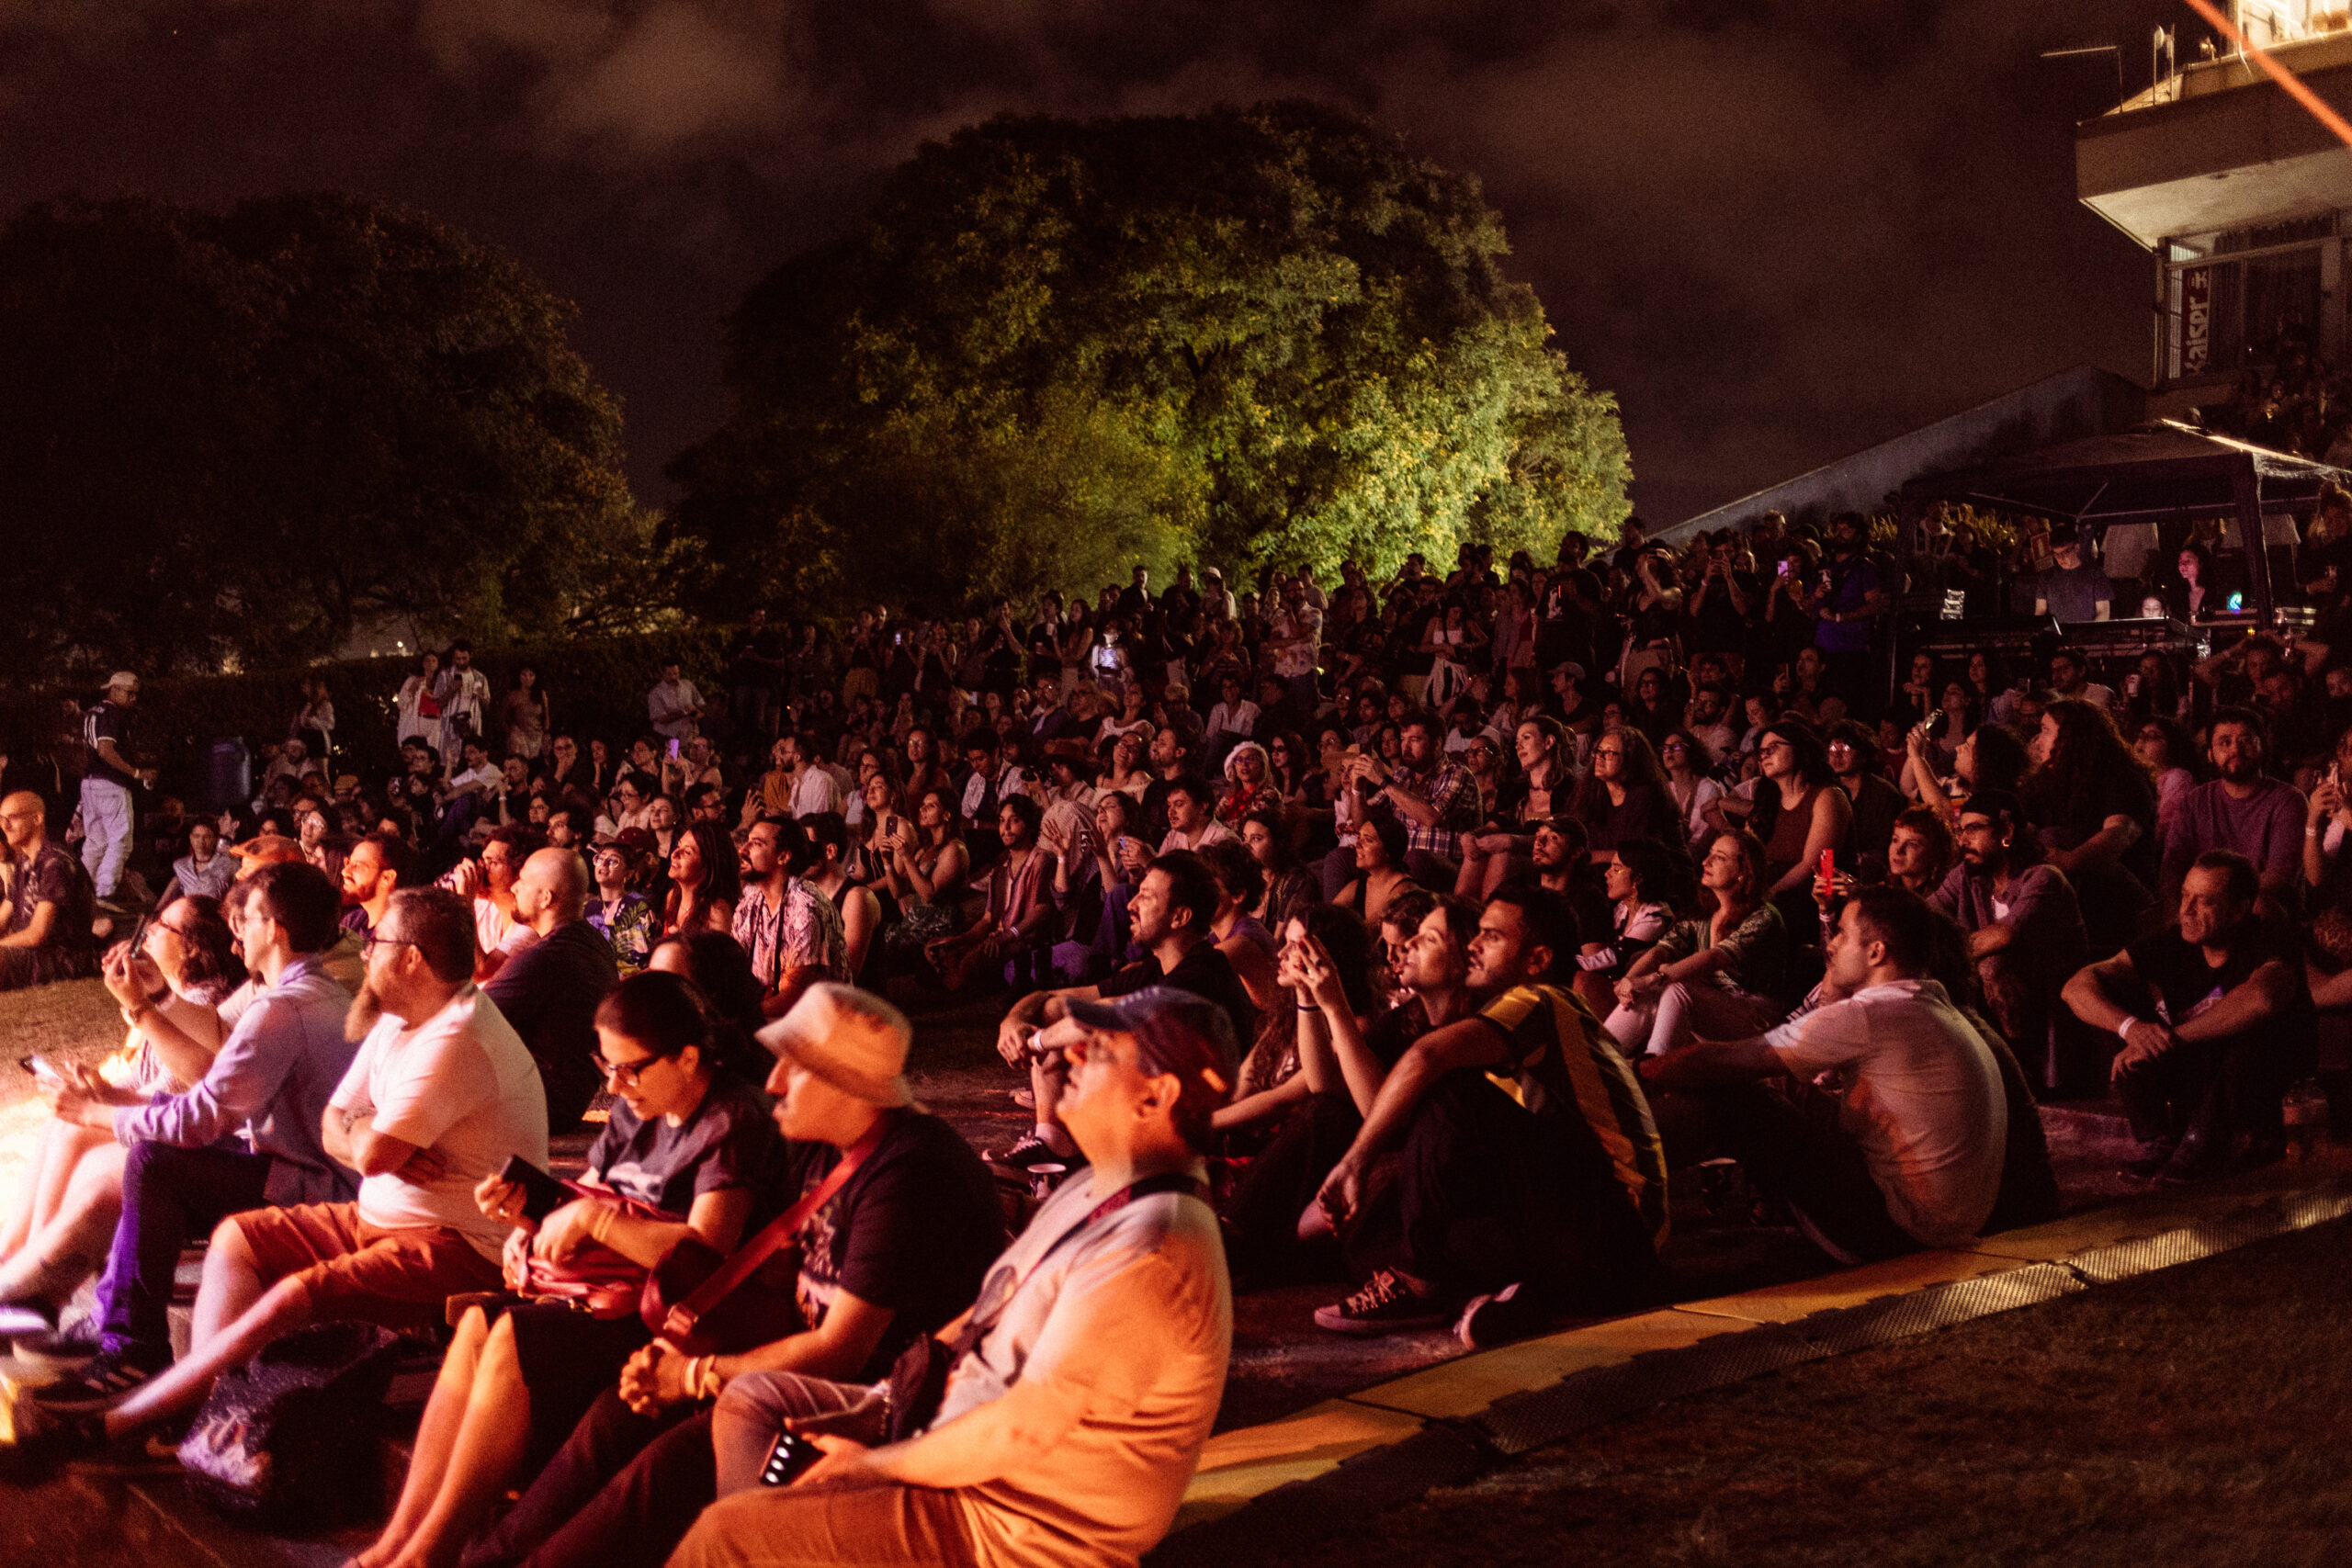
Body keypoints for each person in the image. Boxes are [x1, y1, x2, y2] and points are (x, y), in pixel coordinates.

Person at [662, 987, 1234, 1568]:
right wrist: (881, 1407)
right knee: (753, 1401)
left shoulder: (1153, 1249)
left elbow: (1020, 1432)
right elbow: (984, 1316)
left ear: (1157, 1096)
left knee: (726, 1536)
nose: (1074, 1060)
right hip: (958, 1453)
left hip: (1009, 1525)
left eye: (1102, 1052)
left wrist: (866, 1467)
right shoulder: (1103, 1186)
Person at [465, 985, 1006, 1568]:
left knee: (660, 1474)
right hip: (780, 1374)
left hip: (851, 1413)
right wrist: (671, 1355)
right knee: (615, 1416)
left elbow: (842, 1350)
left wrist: (693, 1374)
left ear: (847, 1083)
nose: (772, 1083)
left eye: (793, 1070)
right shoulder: (833, 1149)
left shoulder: (907, 1175)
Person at [8, 886, 550, 1461]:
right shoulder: (394, 1016)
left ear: (412, 958)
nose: (365, 951)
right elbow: (332, 1121)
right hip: (372, 1210)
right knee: (235, 1236)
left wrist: (364, 1139)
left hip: (455, 1242)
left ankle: (125, 1416)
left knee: (284, 1280)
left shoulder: (454, 1037)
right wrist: (365, 1134)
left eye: (376, 940)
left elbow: (341, 1148)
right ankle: (187, 1389)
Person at [350, 969, 783, 1568]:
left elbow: (706, 1253)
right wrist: (529, 1221)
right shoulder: (637, 1109)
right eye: (607, 1066)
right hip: (605, 1291)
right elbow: (589, 1200)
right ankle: (401, 1539)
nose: (617, 1084)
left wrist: (596, 1224)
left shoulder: (732, 1121)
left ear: (687, 1058)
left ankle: (430, 1550)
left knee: (513, 1335)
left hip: (672, 1313)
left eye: (631, 1068)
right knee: (478, 1322)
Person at [15, 863, 357, 1401]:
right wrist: (153, 1000)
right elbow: (216, 1043)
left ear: (277, 929)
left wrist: (96, 1113)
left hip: (310, 1183)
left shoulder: (284, 1008)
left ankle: (132, 1347)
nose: (236, 928)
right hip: (289, 1160)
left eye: (247, 918)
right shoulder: (296, 987)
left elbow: (199, 1116)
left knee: (155, 1162)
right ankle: (97, 1311)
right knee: (151, 1156)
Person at [1310, 885, 1668, 1346]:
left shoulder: (1542, 1001)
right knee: (1374, 1229)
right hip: (1581, 1254)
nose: (1475, 945)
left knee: (1448, 1093)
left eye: (1492, 937)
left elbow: (1424, 1060)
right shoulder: (1504, 1019)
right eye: (1476, 934)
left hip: (1620, 1236)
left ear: (1537, 961)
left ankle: (1424, 1286)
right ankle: (1496, 1301)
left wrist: (1355, 1161)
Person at [1644, 886, 2008, 1264]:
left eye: (1843, 934)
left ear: (1876, 952)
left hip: (1895, 1232)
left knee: (1734, 1098)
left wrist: (1638, 1073)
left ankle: (1618, 1180)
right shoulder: (1930, 1006)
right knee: (1786, 1090)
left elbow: (1731, 1059)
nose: (1831, 945)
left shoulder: (1874, 1014)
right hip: (1942, 1226)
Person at [0, 895, 243, 1339]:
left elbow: (184, 1089)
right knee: (67, 1123)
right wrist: (97, 1086)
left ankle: (28, 1273)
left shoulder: (199, 1003)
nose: (147, 931)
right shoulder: (176, 996)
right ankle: (17, 1259)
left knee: (75, 1132)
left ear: (191, 947)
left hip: (197, 1141)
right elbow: (145, 1079)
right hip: (172, 1124)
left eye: (162, 928)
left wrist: (103, 1099)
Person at [993, 852, 1256, 1173]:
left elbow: (1108, 1014)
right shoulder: (1155, 969)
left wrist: (1035, 1042)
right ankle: (1051, 1146)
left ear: (1180, 917)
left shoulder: (1203, 974)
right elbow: (1051, 998)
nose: (1131, 905)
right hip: (1160, 1110)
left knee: (1085, 1034)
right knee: (1049, 1011)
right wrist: (1014, 1021)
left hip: (1209, 1132)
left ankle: (1074, 1158)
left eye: (1146, 897)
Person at [2063, 849, 2313, 1182]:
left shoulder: (2270, 939)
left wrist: (2169, 1039)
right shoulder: (2173, 942)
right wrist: (2132, 1029)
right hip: (2198, 1070)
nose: (2186, 910)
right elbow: (2076, 987)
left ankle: (2213, 1144)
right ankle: (2158, 1141)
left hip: (2267, 1082)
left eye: (2204, 901)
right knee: (2117, 1008)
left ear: (2239, 909)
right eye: (2184, 895)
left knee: (2251, 1034)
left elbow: (2262, 999)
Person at [1931, 789, 2090, 1091]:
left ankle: (2022, 1075)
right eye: (1960, 830)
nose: (1963, 840)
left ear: (2006, 831)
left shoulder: (2044, 879)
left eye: (1974, 829)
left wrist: (1945, 955)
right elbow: (1921, 915)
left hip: (2053, 1013)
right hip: (1997, 1007)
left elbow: (2003, 935)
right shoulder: (1968, 877)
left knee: (1992, 964)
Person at [1605, 829, 1787, 1057]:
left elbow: (1715, 957)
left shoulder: (1764, 916)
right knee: (1644, 993)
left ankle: (1655, 1069)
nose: (1705, 861)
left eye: (1719, 857)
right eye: (1709, 853)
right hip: (1712, 1007)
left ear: (1743, 872)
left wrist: (1656, 978)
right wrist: (1630, 981)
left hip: (1756, 1017)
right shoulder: (1703, 913)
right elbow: (1661, 951)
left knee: (1677, 989)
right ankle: (1599, 1063)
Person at [485, 848, 619, 1134]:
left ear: (546, 897)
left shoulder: (548, 957)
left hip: (539, 1104)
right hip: (566, 1098)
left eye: (522, 880)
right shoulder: (590, 941)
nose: (513, 886)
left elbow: (471, 1018)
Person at [2159, 708, 2306, 910]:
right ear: (2210, 753)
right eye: (2224, 742)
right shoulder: (2194, 801)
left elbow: (2279, 877)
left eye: (2245, 740)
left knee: (2261, 906)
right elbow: (2172, 866)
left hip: (2256, 907)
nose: (2235, 750)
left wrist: (2216, 903)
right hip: (2202, 904)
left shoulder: (2288, 801)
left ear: (2262, 746)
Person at [732, 815, 846, 1019]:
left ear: (783, 857)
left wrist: (738, 1020)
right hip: (773, 1019)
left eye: (756, 843)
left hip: (818, 1028)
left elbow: (794, 997)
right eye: (747, 841)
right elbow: (732, 971)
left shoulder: (805, 907)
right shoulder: (749, 905)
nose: (743, 850)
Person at [1346, 713, 1480, 884]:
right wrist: (1357, 789)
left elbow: (1432, 817)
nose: (1406, 747)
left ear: (1437, 744)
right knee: (1342, 858)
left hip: (1444, 868)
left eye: (1414, 740)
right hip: (1402, 865)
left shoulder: (1457, 773)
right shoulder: (1402, 775)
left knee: (1415, 859)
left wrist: (1383, 781)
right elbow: (1362, 823)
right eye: (1403, 739)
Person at [0, 790, 97, 991]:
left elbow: (37, 934)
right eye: (1, 819)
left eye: (12, 818)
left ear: (37, 818)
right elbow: (3, 916)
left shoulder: (56, 862)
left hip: (63, 961)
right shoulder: (24, 862)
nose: (4, 825)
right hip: (33, 955)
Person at [80, 671, 157, 907]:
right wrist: (135, 772)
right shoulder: (114, 713)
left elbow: (96, 751)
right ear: (113, 690)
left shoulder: (93, 712)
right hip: (110, 785)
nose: (133, 698)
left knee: (96, 841)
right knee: (121, 842)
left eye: (135, 694)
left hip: (90, 783)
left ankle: (82, 890)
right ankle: (104, 892)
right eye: (129, 693)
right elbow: (105, 750)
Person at [586, 829, 661, 976]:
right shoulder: (588, 908)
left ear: (629, 873)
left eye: (613, 861)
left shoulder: (638, 907)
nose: (604, 864)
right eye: (600, 859)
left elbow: (643, 962)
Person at [664, 819, 741, 940]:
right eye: (679, 846)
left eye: (687, 852)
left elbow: (723, 957)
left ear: (707, 865)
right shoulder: (672, 897)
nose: (674, 854)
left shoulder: (716, 912)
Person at [339, 831, 413, 942]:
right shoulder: (352, 920)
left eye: (358, 866)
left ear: (387, 878)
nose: (345, 871)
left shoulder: (394, 940)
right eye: (348, 862)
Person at [2032, 523, 2112, 624]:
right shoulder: (2047, 576)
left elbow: (2103, 612)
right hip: (2056, 636)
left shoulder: (2095, 574)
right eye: (2056, 554)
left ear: (2076, 548)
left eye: (2065, 553)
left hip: (2086, 634)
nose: (2061, 559)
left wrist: (2088, 634)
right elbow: (2040, 610)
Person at [167, 818, 235, 905]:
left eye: (206, 837)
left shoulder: (225, 864)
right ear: (191, 838)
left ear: (215, 839)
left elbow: (212, 893)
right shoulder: (180, 866)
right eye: (196, 836)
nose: (201, 841)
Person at [650, 660, 706, 744]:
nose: (673, 677)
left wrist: (698, 712)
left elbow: (701, 704)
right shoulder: (656, 693)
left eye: (676, 673)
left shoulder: (687, 686)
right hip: (670, 738)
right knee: (673, 757)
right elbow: (661, 718)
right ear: (662, 673)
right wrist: (684, 712)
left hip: (691, 736)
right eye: (669, 674)